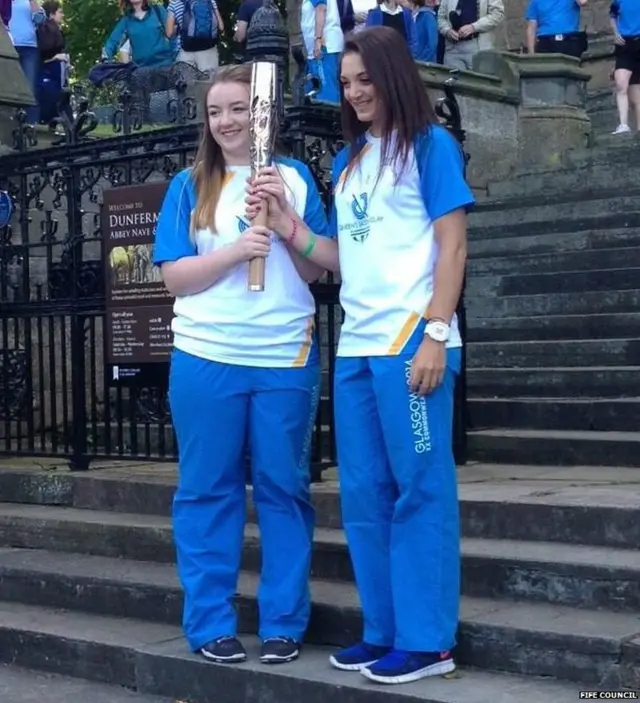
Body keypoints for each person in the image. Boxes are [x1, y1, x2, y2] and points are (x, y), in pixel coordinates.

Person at [247, 25, 474, 685]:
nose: (354, 91)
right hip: (357, 346)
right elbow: (345, 259)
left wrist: (436, 330)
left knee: (420, 491)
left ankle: (429, 641)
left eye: (364, 78)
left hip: (411, 340)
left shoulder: (432, 148)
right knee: (366, 495)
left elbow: (452, 248)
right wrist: (290, 225)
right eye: (346, 83)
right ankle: (385, 631)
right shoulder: (348, 165)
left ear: (392, 73)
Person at [153, 64, 330, 666]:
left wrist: (285, 224)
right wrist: (236, 252)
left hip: (285, 356)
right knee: (207, 491)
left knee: (285, 490)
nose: (226, 121)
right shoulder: (188, 185)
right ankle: (209, 623)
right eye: (215, 111)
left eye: (238, 110)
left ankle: (283, 621)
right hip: (206, 356)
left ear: (263, 118)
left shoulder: (297, 178)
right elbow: (175, 278)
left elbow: (318, 268)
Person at [103, 0, 176, 68]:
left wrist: (175, 58)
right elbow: (112, 42)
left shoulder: (158, 11)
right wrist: (105, 59)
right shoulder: (126, 21)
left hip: (165, 66)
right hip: (141, 71)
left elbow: (173, 36)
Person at [437, 0, 504, 70]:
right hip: (453, 50)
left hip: (479, 48)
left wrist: (474, 27)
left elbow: (497, 14)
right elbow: (441, 17)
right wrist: (447, 31)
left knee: (477, 80)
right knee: (454, 80)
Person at [9, 0, 46, 125]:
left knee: (30, 87)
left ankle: (31, 124)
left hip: (29, 48)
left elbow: (40, 20)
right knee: (9, 87)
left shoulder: (28, 2)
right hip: (8, 47)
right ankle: (10, 122)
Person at [301, 0, 344, 102]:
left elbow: (321, 9)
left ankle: (332, 117)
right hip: (323, 48)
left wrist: (318, 40)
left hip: (324, 48)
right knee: (316, 90)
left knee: (325, 92)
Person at [166, 0, 224, 74]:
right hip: (208, 50)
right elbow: (221, 27)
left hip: (186, 51)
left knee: (187, 83)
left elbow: (169, 33)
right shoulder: (210, 1)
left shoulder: (175, 3)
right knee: (209, 82)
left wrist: (179, 27)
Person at [610, 0, 640, 134]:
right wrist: (615, 33)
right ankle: (623, 125)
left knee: (636, 94)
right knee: (621, 84)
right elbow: (612, 15)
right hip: (624, 44)